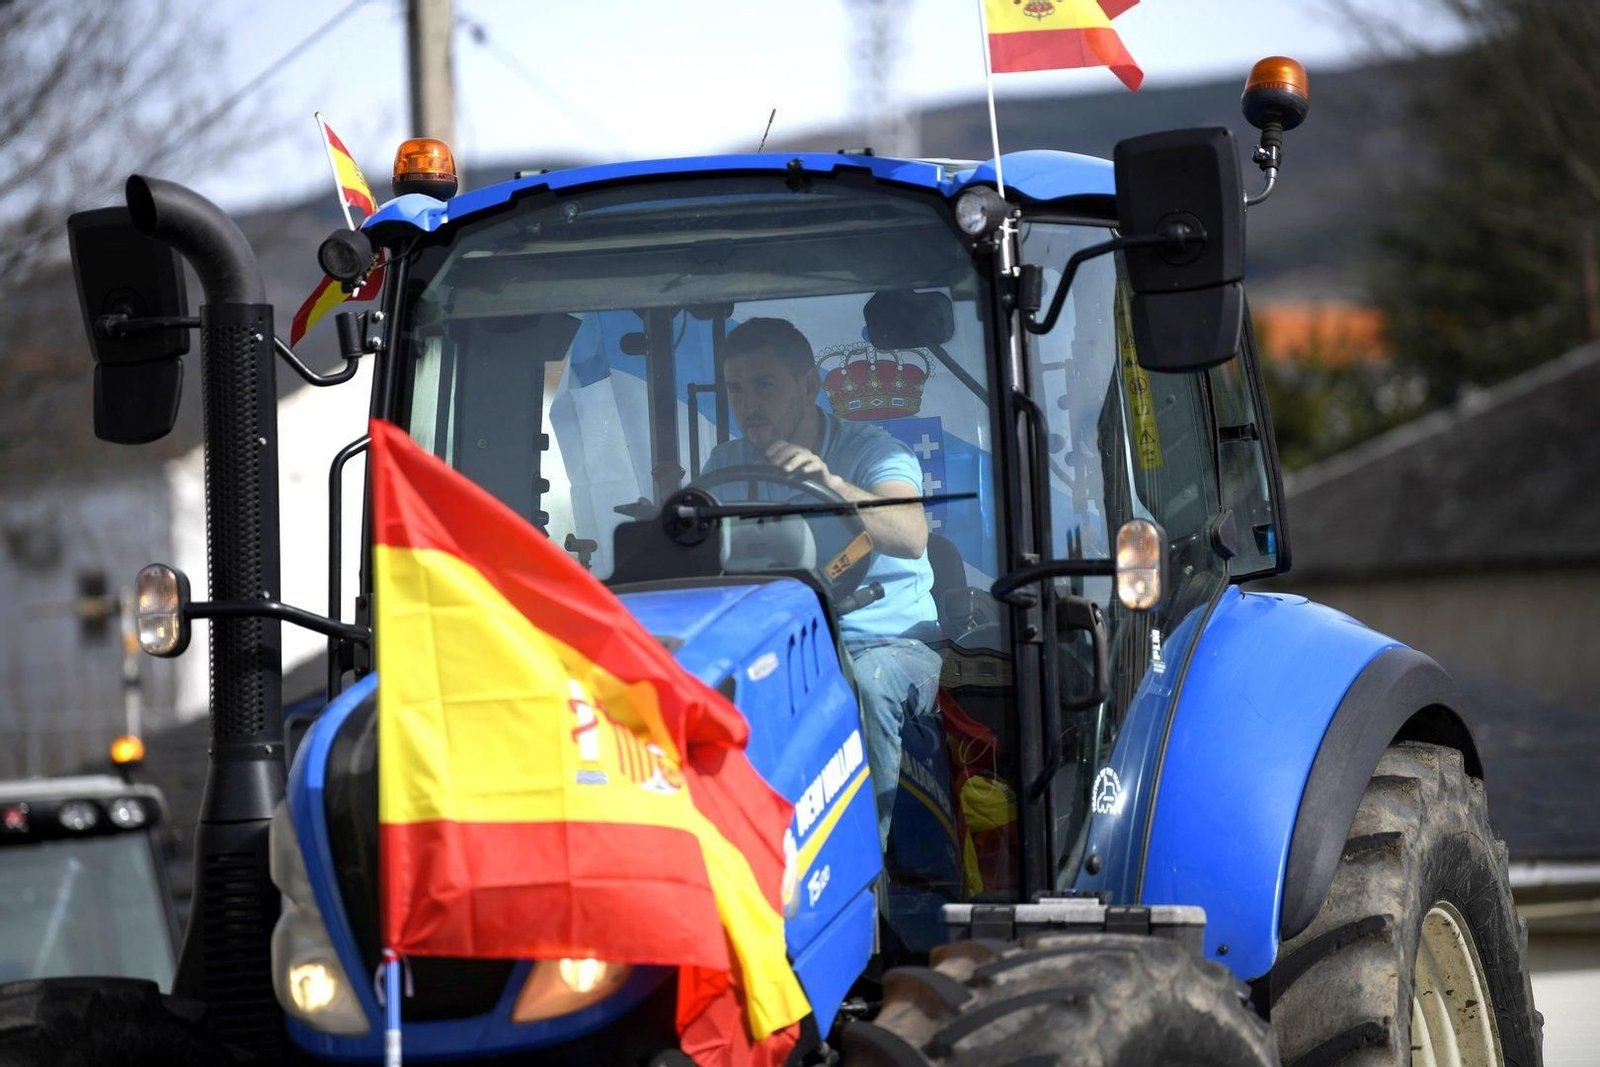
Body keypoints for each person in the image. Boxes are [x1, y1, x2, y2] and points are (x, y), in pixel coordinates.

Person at [701, 317, 943, 847]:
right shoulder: (726, 463)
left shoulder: (874, 452)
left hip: (884, 638)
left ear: (809, 387)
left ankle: (867, 867)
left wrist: (829, 483)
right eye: (736, 389)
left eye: (764, 385)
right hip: (778, 640)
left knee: (869, 687)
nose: (747, 403)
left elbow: (910, 535)